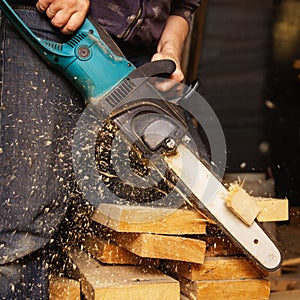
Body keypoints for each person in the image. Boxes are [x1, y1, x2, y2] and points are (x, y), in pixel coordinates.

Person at [0, 0, 200, 298]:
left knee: (92, 226)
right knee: (23, 231)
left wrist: (170, 45)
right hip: (54, 20)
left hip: (136, 51)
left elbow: (184, 5)